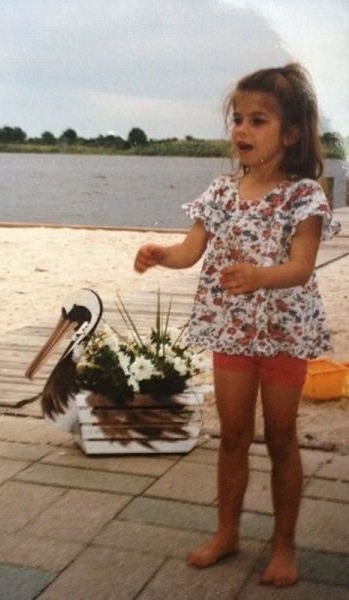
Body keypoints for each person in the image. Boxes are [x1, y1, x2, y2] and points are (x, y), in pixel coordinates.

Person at [134, 64, 340, 587]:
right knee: (232, 435)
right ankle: (227, 532)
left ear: (290, 134)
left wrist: (259, 276)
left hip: (284, 331)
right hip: (229, 330)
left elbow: (302, 267)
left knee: (281, 437)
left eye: (258, 120)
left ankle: (284, 544)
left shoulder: (304, 196)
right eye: (238, 119)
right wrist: (162, 255)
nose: (242, 130)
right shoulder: (221, 193)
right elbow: (191, 250)